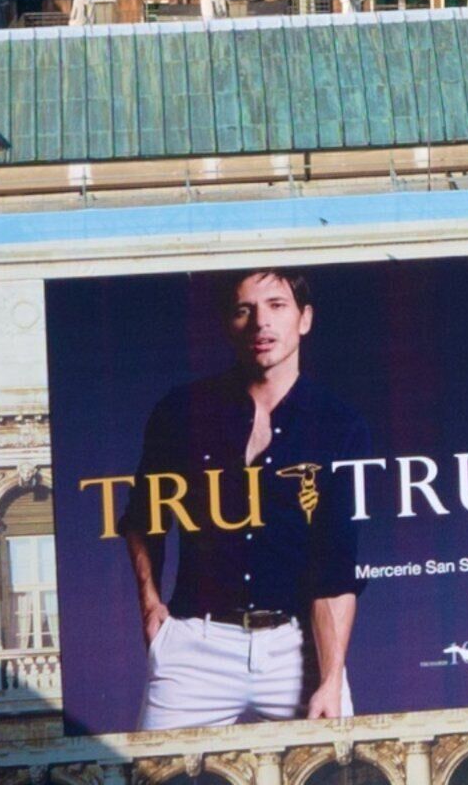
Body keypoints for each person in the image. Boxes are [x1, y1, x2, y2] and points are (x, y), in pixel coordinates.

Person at [125, 269, 368, 727]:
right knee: (152, 767)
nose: (261, 322)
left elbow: (335, 568)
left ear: (304, 319)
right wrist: (150, 606)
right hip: (195, 645)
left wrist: (331, 678)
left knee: (339, 765)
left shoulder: (339, 424)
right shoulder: (181, 411)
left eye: (277, 305)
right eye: (244, 310)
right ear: (228, 323)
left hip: (296, 648)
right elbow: (142, 517)